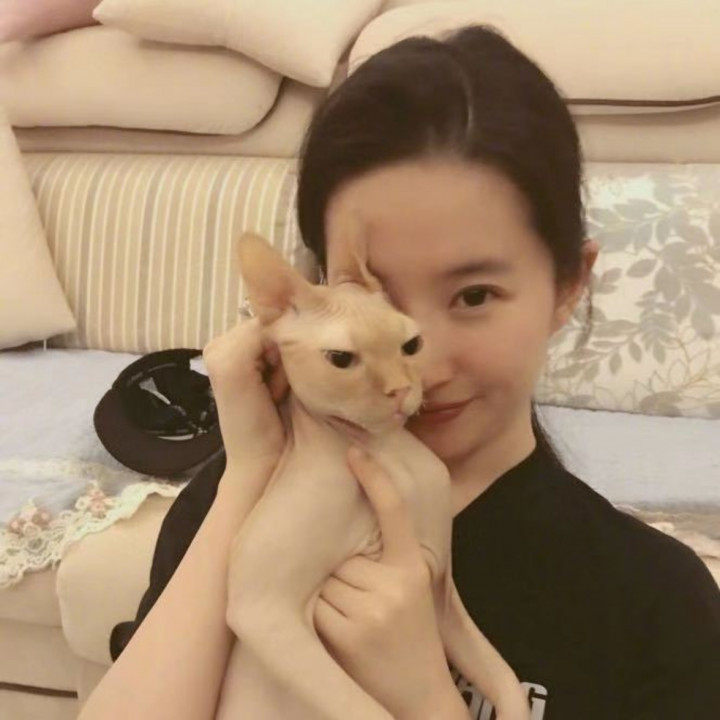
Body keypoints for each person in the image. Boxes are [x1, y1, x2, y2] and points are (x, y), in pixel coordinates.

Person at [80, 25, 720, 720]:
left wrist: (427, 700)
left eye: (474, 296)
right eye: (371, 300)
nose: (420, 371)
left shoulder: (653, 600)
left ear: (568, 285)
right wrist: (248, 474)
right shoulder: (228, 502)